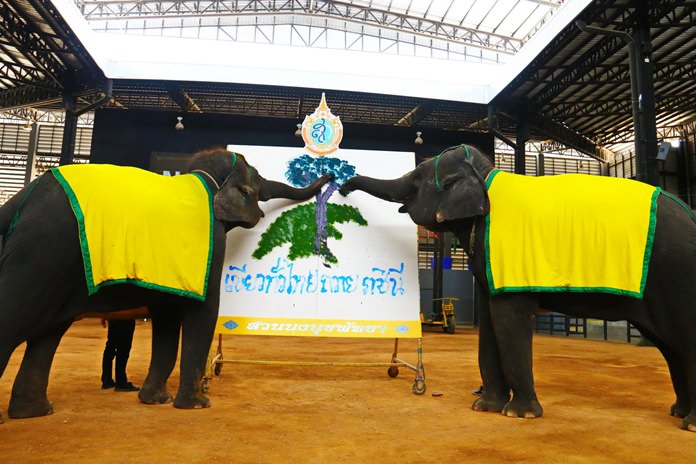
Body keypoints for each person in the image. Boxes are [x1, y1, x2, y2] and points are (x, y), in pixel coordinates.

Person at [101, 318, 140, 392]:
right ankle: (121, 382)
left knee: (110, 347)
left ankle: (107, 380)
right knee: (123, 348)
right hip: (126, 318)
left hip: (113, 317)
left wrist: (104, 316)